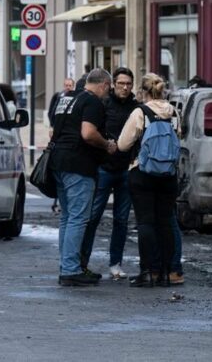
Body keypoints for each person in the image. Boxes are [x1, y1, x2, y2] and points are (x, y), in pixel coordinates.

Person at [50, 68, 117, 286]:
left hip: (58, 161)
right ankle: (71, 269)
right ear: (104, 85)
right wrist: (106, 144)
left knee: (68, 217)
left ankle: (67, 266)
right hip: (79, 164)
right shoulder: (92, 102)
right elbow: (88, 133)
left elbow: (54, 130)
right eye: (109, 89)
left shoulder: (66, 98)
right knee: (78, 217)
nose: (108, 94)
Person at [118, 73, 181, 288]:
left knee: (146, 222)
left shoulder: (140, 112)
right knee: (165, 222)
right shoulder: (174, 112)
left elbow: (123, 144)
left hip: (142, 172)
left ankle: (148, 271)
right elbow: (178, 137)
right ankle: (165, 272)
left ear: (144, 92)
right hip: (168, 174)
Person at [79, 67, 139, 280]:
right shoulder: (103, 103)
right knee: (92, 217)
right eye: (121, 83)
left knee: (121, 220)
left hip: (125, 170)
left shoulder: (136, 108)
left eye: (128, 84)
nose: (124, 87)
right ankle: (81, 261)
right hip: (104, 168)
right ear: (113, 84)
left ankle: (115, 264)